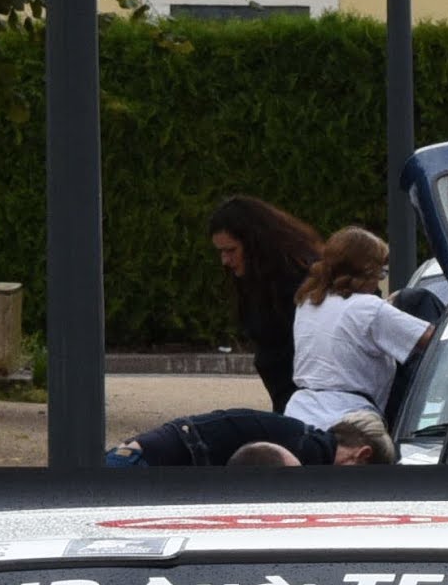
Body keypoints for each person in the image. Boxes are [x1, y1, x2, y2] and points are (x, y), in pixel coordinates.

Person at [119, 229, 427, 466]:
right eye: (380, 272)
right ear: (365, 270)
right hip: (351, 418)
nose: (380, 280)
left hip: (300, 411)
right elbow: (434, 339)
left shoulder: (309, 302)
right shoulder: (371, 309)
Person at [210, 196, 319, 408]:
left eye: (231, 250)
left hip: (305, 404)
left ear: (255, 244)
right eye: (221, 252)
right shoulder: (258, 280)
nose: (225, 260)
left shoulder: (297, 281)